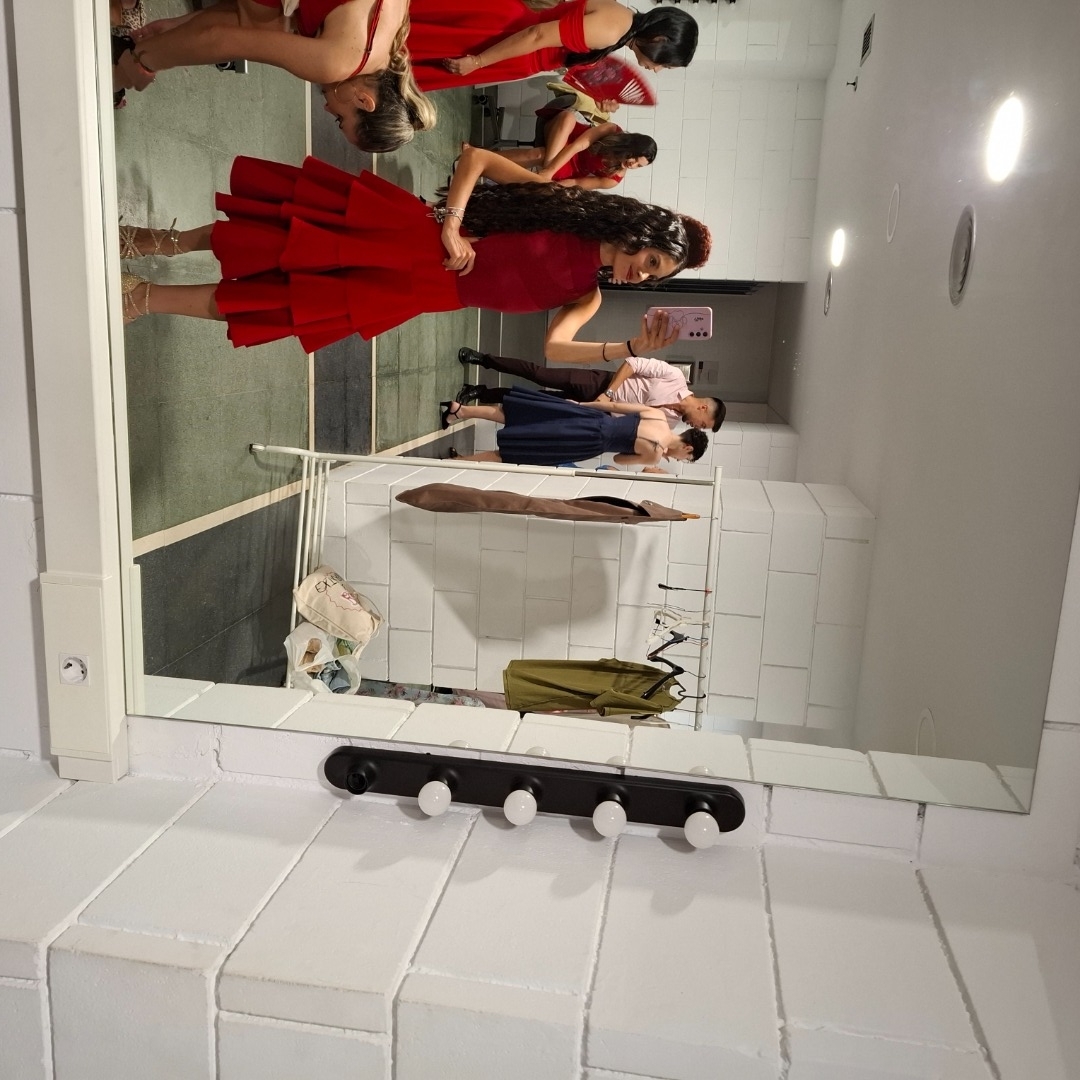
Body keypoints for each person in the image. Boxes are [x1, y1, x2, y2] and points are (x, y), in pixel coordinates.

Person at [117, 144, 711, 359]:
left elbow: (554, 349)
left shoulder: (587, 295)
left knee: (286, 305)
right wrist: (452, 225)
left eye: (653, 277)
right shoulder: (563, 207)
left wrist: (630, 349)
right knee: (277, 238)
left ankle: (145, 298)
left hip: (419, 293)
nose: (642, 276)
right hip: (411, 236)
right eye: (652, 262)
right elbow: (475, 159)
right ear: (642, 235)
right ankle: (157, 242)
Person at [112, 0, 435, 153]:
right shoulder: (335, 64)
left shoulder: (391, 41)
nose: (327, 110)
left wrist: (177, 26)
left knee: (270, 25)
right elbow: (220, 40)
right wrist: (138, 66)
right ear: (365, 100)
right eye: (340, 119)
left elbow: (252, 21)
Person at [407, 0, 698, 91]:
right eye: (665, 63)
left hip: (510, 43)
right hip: (504, 36)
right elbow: (537, 35)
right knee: (413, 42)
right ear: (660, 40)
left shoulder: (620, 24)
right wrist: (479, 61)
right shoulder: (613, 28)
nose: (657, 70)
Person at [457, 347, 726, 432]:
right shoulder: (674, 377)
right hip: (600, 385)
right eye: (703, 424)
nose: (697, 427)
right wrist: (608, 393)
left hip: (596, 412)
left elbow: (631, 427)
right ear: (703, 408)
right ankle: (484, 359)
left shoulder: (669, 425)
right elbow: (632, 363)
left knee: (535, 400)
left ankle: (480, 393)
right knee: (539, 374)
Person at [441, 389, 708, 467]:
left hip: (591, 417)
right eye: (686, 458)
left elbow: (616, 406)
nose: (680, 460)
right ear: (687, 447)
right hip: (587, 441)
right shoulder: (655, 453)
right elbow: (618, 459)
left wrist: (581, 405)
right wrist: (654, 459)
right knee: (519, 451)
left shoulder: (658, 417)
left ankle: (460, 410)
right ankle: (458, 463)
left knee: (521, 416)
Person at [496, 115, 656, 190]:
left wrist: (547, 186)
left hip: (571, 169)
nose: (632, 165)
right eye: (635, 158)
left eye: (638, 166)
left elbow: (577, 183)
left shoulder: (613, 180)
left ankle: (488, 161)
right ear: (631, 146)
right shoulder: (612, 130)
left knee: (540, 155)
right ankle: (543, 172)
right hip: (568, 138)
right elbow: (577, 146)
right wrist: (549, 171)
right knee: (568, 117)